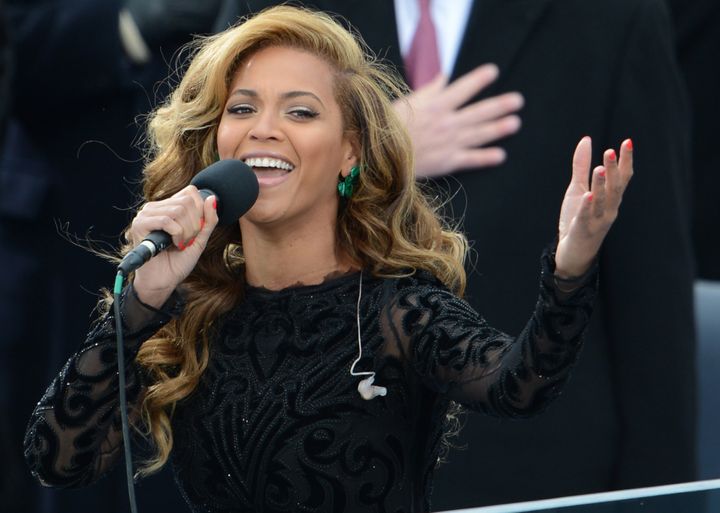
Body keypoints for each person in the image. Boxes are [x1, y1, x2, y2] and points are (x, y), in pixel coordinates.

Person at [23, 6, 632, 513]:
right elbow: (57, 459)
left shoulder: (398, 310)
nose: (264, 129)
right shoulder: (190, 314)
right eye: (242, 109)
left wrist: (571, 268)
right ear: (216, 143)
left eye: (300, 111)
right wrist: (140, 304)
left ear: (349, 153)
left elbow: (521, 386)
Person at [222, 0, 697, 507]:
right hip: (313, 470)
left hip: (534, 472)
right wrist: (389, 141)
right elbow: (198, 164)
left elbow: (653, 290)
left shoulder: (613, 17)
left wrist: (666, 496)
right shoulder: (271, 9)